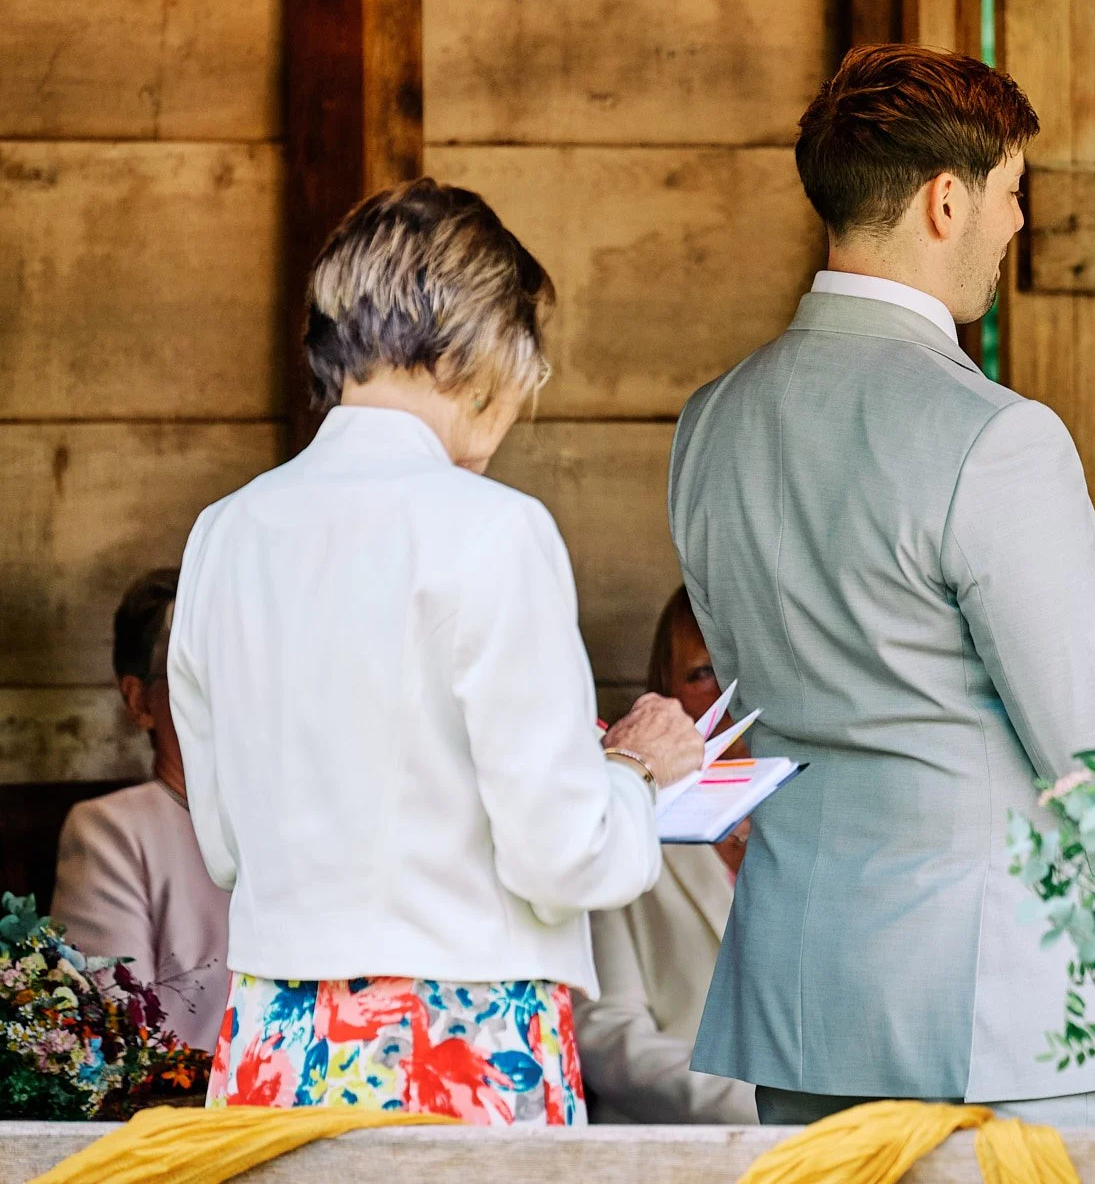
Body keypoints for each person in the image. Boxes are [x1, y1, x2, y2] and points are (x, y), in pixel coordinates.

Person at [669, 44, 1095, 1128]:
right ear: (947, 201)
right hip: (1002, 1014)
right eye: (1010, 194)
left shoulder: (710, 423)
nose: (1017, 225)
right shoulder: (996, 437)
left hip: (800, 995)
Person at [168, 178, 705, 1125]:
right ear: (487, 347)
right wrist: (636, 769)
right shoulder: (497, 530)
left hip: (272, 1043)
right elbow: (565, 854)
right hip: (455, 1033)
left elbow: (222, 844)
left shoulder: (223, 533)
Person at [575, 587, 754, 1124]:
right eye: (702, 673)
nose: (728, 694)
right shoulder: (622, 826)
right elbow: (610, 1034)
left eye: (745, 670)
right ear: (664, 696)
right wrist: (765, 1108)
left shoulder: (833, 822)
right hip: (673, 1145)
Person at [51, 568, 230, 1052]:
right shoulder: (112, 833)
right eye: (193, 677)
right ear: (138, 700)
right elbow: (120, 1046)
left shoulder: (296, 822)